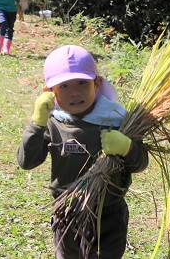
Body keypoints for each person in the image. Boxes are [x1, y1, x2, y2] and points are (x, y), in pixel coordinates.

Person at [17, 45, 149, 259]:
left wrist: (127, 147)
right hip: (66, 213)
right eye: (64, 86)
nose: (75, 92)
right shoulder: (53, 121)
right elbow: (26, 161)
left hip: (108, 216)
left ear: (96, 84)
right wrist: (37, 123)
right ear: (50, 92)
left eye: (82, 82)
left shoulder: (117, 120)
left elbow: (141, 162)